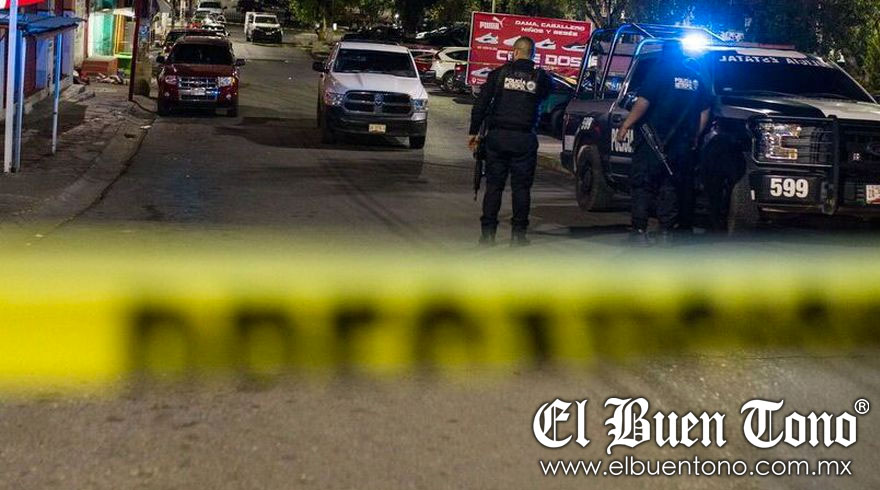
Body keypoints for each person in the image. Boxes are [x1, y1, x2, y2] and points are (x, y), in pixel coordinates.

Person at [617, 40, 711, 245]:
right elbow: (705, 110)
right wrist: (695, 135)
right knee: (670, 186)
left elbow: (643, 102)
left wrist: (626, 125)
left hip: (653, 140)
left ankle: (639, 230)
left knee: (642, 184)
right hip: (682, 144)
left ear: (664, 53)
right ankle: (666, 231)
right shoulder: (695, 77)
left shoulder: (659, 72)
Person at [468, 37, 552, 246]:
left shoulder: (499, 74)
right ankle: (518, 236)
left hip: (498, 138)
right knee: (521, 189)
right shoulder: (541, 78)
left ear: (515, 52)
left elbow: (481, 104)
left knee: (494, 187)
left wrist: (473, 132)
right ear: (533, 54)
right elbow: (544, 96)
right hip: (524, 138)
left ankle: (488, 235)